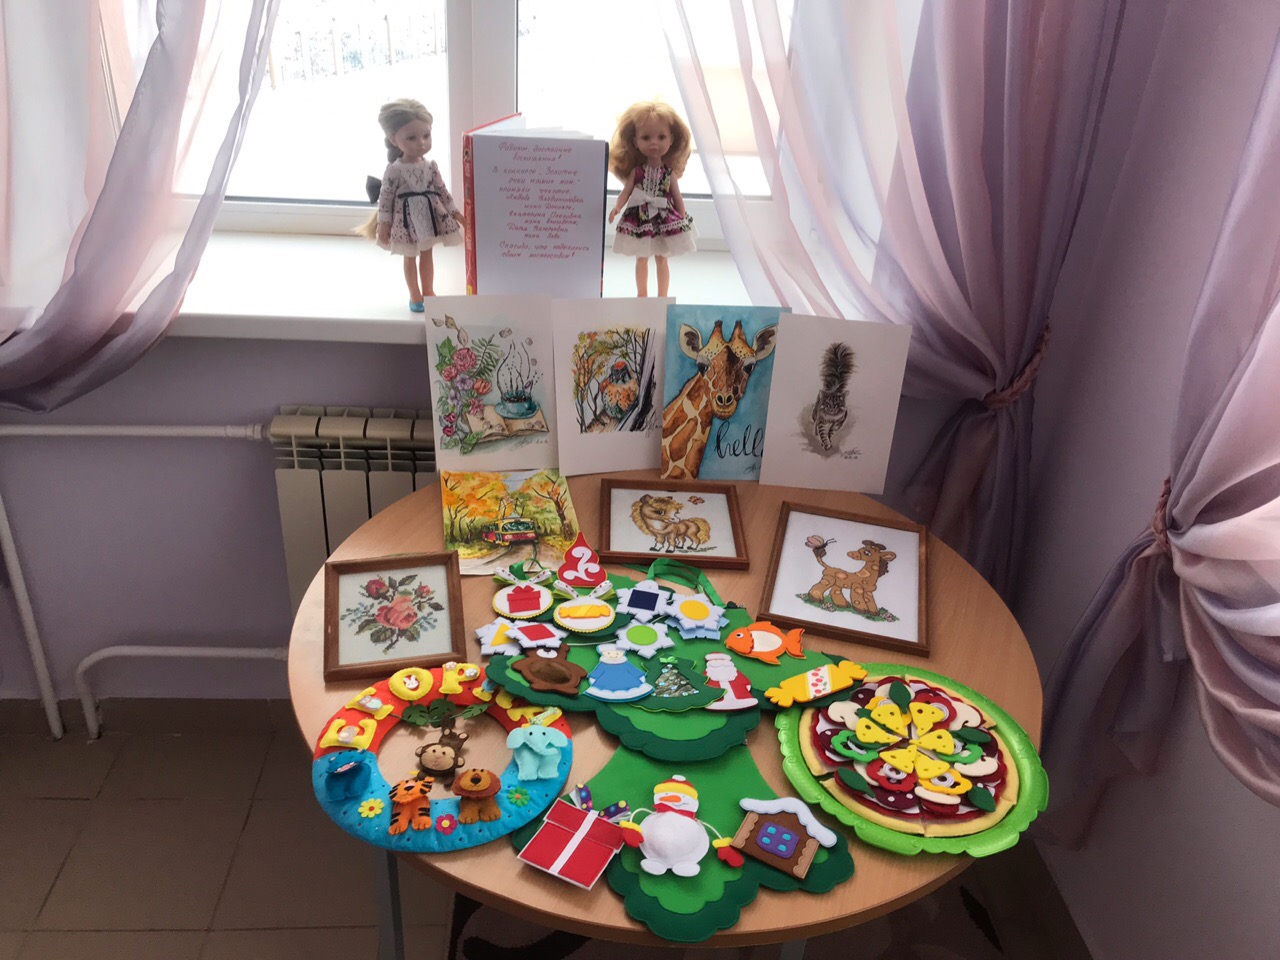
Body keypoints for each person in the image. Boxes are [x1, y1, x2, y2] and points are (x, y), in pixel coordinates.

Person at [357, 99, 464, 311]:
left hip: (428, 217)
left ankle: (428, 291)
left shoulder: (430, 166)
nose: (421, 143)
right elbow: (386, 199)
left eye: (426, 135)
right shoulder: (394, 169)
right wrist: (384, 223)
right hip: (406, 221)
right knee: (410, 256)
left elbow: (442, 191)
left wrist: (456, 214)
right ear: (393, 139)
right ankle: (415, 295)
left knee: (427, 254)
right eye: (412, 138)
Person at [607, 101, 697, 297]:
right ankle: (642, 296)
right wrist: (617, 207)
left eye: (661, 137)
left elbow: (677, 197)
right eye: (646, 137)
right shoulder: (637, 172)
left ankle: (662, 296)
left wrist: (682, 218)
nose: (654, 143)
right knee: (641, 259)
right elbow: (626, 192)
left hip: (664, 220)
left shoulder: (669, 174)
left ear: (671, 139)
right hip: (641, 220)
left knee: (662, 258)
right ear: (635, 141)